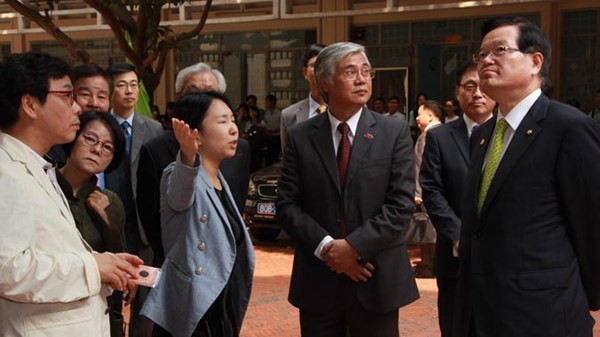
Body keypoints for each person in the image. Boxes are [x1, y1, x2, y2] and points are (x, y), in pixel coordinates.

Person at [456, 17, 600, 337]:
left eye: (500, 50)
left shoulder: (569, 128)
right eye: (481, 55)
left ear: (535, 62)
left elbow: (592, 223)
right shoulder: (483, 136)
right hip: (480, 312)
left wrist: (582, 295)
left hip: (543, 313)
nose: (486, 61)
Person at [277, 42, 418, 337]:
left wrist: (354, 249)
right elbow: (288, 204)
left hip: (375, 277)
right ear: (325, 80)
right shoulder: (301, 136)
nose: (361, 79)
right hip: (319, 279)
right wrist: (329, 249)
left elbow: (400, 205)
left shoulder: (394, 132)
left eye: (366, 71)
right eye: (350, 71)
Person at [0, 51, 141, 337]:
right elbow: (8, 270)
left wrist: (105, 262)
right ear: (29, 104)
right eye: (67, 96)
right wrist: (92, 267)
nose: (77, 108)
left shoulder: (36, 167)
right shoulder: (5, 171)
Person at [141, 92, 255, 337]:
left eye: (233, 120)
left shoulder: (220, 179)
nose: (233, 129)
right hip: (193, 310)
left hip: (220, 306)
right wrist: (187, 154)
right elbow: (181, 196)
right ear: (196, 135)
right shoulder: (178, 172)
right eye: (222, 121)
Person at [136, 62, 250, 269]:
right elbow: (152, 219)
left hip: (227, 265)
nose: (204, 101)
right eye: (195, 93)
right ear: (179, 97)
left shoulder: (239, 149)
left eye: (211, 94)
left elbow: (237, 203)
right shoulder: (156, 151)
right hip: (183, 269)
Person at [419, 60, 495, 337]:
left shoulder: (510, 135)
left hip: (501, 257)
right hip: (454, 256)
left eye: (483, 87)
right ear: (458, 91)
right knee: (455, 326)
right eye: (469, 86)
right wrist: (457, 235)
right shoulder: (440, 137)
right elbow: (432, 190)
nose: (477, 93)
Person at [57, 110, 131, 337]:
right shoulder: (44, 186)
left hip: (96, 312)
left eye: (107, 147)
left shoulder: (110, 201)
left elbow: (120, 262)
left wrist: (108, 221)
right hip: (52, 307)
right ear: (74, 137)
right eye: (90, 139)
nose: (97, 149)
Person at [105, 62, 164, 337]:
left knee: (146, 302)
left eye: (133, 85)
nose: (129, 91)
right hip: (108, 226)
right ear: (110, 89)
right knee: (111, 300)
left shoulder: (152, 128)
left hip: (143, 231)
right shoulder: (100, 126)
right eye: (121, 85)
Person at [47, 63, 111, 167]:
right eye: (85, 94)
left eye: (101, 97)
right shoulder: (51, 146)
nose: (94, 103)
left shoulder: (112, 150)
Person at [412, 100, 443, 278]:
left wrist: (417, 193)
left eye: (420, 113)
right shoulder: (446, 132)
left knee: (427, 230)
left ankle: (428, 266)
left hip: (427, 192)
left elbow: (421, 166)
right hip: (438, 191)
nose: (416, 117)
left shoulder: (428, 136)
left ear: (430, 115)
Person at [280, 43, 326, 149]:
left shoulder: (347, 109)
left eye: (324, 65)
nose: (320, 69)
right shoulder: (289, 115)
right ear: (305, 72)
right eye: (314, 65)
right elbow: (288, 159)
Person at [262, 93, 281, 165]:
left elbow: (282, 126)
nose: (266, 103)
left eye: (267, 101)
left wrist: (274, 131)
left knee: (276, 156)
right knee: (268, 157)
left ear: (272, 102)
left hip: (276, 137)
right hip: (268, 137)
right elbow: (265, 123)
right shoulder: (266, 113)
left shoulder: (279, 113)